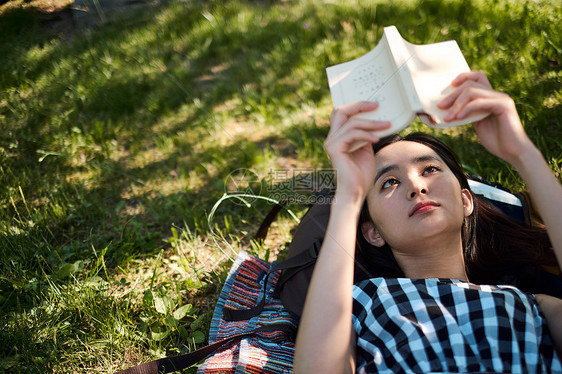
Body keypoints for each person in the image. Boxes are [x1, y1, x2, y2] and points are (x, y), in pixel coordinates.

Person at [292, 71, 562, 373]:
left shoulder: (529, 304)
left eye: (430, 169)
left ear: (465, 201)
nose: (415, 186)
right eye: (389, 182)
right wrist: (349, 197)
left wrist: (523, 152)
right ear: (373, 232)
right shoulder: (363, 301)